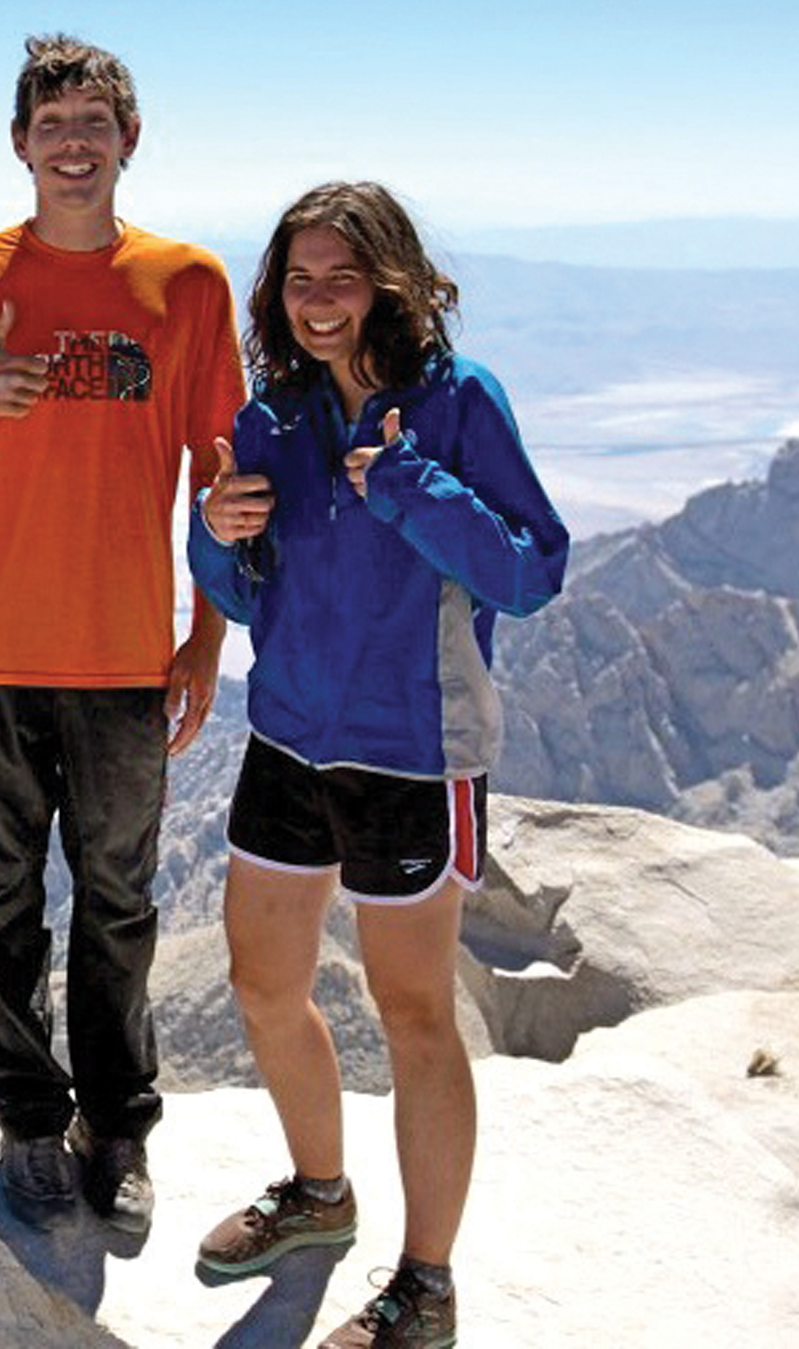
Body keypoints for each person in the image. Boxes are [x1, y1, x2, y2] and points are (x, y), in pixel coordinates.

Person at [0, 34, 245, 1231]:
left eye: (95, 122)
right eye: (52, 124)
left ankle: (116, 1129)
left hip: (127, 654)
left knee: (120, 902)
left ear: (129, 141)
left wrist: (205, 641)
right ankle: (31, 1121)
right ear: (20, 145)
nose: (73, 143)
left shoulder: (188, 284)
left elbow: (220, 481)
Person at [188, 182, 567, 1346]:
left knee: (412, 1016)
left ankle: (426, 1284)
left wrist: (412, 487)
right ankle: (317, 1193)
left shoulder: (455, 404)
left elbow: (531, 569)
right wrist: (217, 532)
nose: (317, 301)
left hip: (415, 749)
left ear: (391, 280)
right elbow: (240, 592)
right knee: (263, 985)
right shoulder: (276, 414)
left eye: (340, 277)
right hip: (290, 733)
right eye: (298, 279)